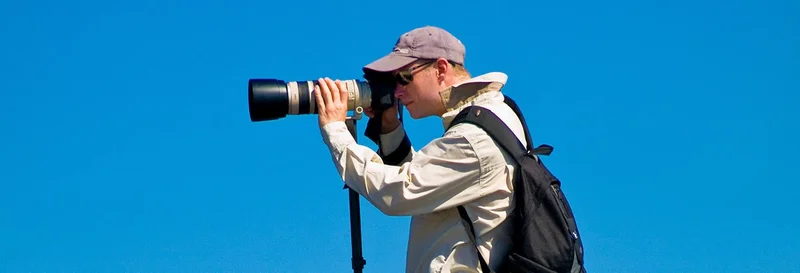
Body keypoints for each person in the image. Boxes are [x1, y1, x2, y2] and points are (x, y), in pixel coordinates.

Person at [313, 26, 528, 273]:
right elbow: (430, 184)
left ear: (441, 69)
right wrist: (390, 127)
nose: (397, 91)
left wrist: (336, 131)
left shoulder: (474, 139)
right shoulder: (489, 118)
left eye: (404, 77)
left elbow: (399, 191)